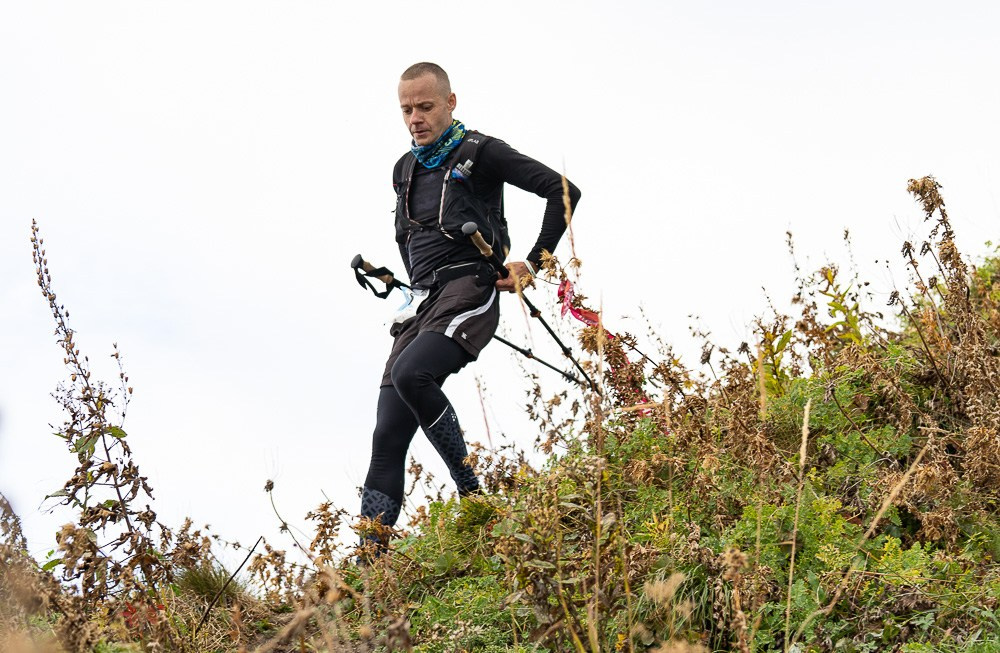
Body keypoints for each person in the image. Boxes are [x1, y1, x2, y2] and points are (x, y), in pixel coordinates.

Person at [359, 62, 580, 550]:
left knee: (415, 375)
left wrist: (535, 264)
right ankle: (367, 569)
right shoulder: (404, 168)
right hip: (422, 303)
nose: (415, 118)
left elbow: (564, 192)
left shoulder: (482, 152)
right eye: (406, 109)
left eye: (426, 106)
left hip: (470, 288)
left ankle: (473, 496)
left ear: (451, 102)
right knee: (387, 431)